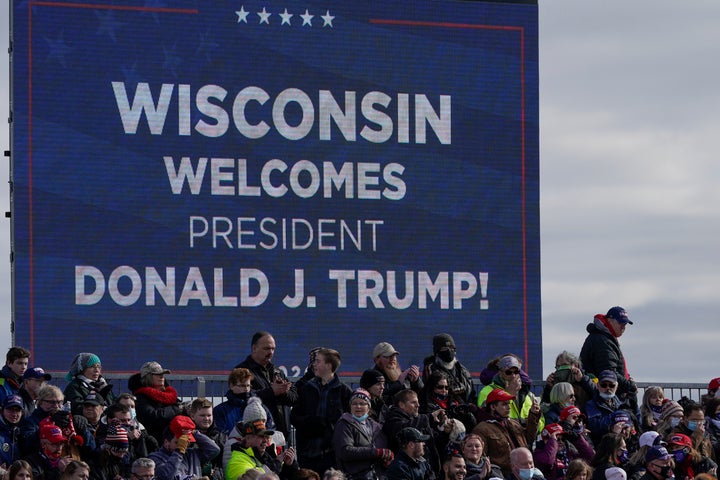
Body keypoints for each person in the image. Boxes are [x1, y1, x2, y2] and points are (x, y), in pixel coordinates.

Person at [291, 347, 352, 475]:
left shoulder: (344, 392)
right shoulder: (306, 389)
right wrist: (311, 423)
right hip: (307, 454)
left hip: (332, 456)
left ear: (329, 365)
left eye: (318, 361)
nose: (314, 365)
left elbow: (350, 423)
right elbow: (294, 417)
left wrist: (328, 427)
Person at [579, 307, 639, 419]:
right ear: (610, 321)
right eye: (621, 322)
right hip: (602, 399)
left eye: (625, 323)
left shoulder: (605, 338)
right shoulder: (602, 341)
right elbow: (609, 372)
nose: (624, 326)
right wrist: (630, 386)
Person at [235, 332, 298, 436]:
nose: (271, 352)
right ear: (254, 348)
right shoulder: (243, 371)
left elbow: (294, 398)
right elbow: (241, 398)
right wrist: (272, 392)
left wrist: (284, 391)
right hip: (257, 435)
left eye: (273, 349)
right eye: (267, 349)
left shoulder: (277, 371)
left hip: (282, 435)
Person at [472, 388, 541, 478]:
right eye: (504, 404)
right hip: (502, 475)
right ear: (493, 407)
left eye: (509, 404)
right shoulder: (482, 429)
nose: (509, 407)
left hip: (523, 471)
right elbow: (480, 458)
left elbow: (529, 438)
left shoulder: (513, 423)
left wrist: (533, 415)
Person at [383, 389, 450, 476]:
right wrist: (429, 417)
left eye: (417, 402)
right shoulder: (393, 419)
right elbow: (403, 430)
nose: (418, 405)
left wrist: (445, 432)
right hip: (405, 470)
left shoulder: (419, 420)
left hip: (425, 470)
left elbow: (434, 441)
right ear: (402, 405)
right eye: (413, 402)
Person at [332, 388, 391, 480]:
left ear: (369, 407)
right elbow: (345, 452)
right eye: (354, 403)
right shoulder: (344, 424)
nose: (358, 406)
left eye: (362, 403)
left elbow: (382, 450)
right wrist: (376, 452)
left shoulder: (377, 427)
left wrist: (386, 458)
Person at [477, 355, 545, 433]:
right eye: (508, 372)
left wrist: (534, 423)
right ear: (500, 373)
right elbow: (485, 417)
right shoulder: (487, 391)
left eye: (516, 372)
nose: (513, 376)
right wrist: (508, 394)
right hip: (502, 438)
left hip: (524, 440)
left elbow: (541, 422)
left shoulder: (528, 395)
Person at [225, 415, 296, 480]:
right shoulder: (236, 462)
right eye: (261, 436)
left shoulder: (265, 457)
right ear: (248, 438)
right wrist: (276, 464)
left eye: (267, 436)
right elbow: (256, 477)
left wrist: (289, 465)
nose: (265, 440)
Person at [150, 415, 220, 480]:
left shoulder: (192, 453)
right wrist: (179, 451)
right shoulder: (154, 458)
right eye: (178, 442)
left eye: (186, 441)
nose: (184, 445)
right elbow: (166, 476)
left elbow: (214, 450)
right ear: (166, 442)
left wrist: (194, 432)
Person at [130, 362, 181, 444]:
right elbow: (153, 416)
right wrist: (177, 409)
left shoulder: (168, 395)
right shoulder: (140, 397)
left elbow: (178, 406)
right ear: (148, 377)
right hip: (152, 442)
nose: (161, 377)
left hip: (171, 440)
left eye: (162, 374)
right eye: (157, 374)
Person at [214, 368, 276, 435]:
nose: (246, 389)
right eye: (242, 386)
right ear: (231, 386)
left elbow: (270, 427)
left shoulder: (260, 407)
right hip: (233, 444)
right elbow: (221, 434)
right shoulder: (220, 410)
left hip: (258, 444)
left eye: (248, 386)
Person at [584, 370, 634, 446]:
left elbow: (637, 422)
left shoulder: (622, 404)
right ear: (598, 386)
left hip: (624, 444)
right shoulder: (591, 405)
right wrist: (615, 420)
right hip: (602, 445)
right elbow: (593, 426)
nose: (608, 388)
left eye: (611, 385)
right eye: (604, 385)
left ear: (616, 386)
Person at [423, 334, 475, 405]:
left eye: (451, 347)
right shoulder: (431, 369)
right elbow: (431, 391)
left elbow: (471, 394)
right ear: (437, 352)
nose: (449, 351)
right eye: (444, 348)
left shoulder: (463, 370)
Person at [188, 398, 224, 480]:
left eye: (209, 415)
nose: (206, 419)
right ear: (192, 416)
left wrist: (214, 474)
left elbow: (224, 464)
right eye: (202, 415)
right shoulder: (185, 436)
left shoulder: (221, 437)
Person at [0, 395, 24, 468]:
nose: (14, 414)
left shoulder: (21, 432)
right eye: (10, 410)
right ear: (2, 411)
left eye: (17, 410)